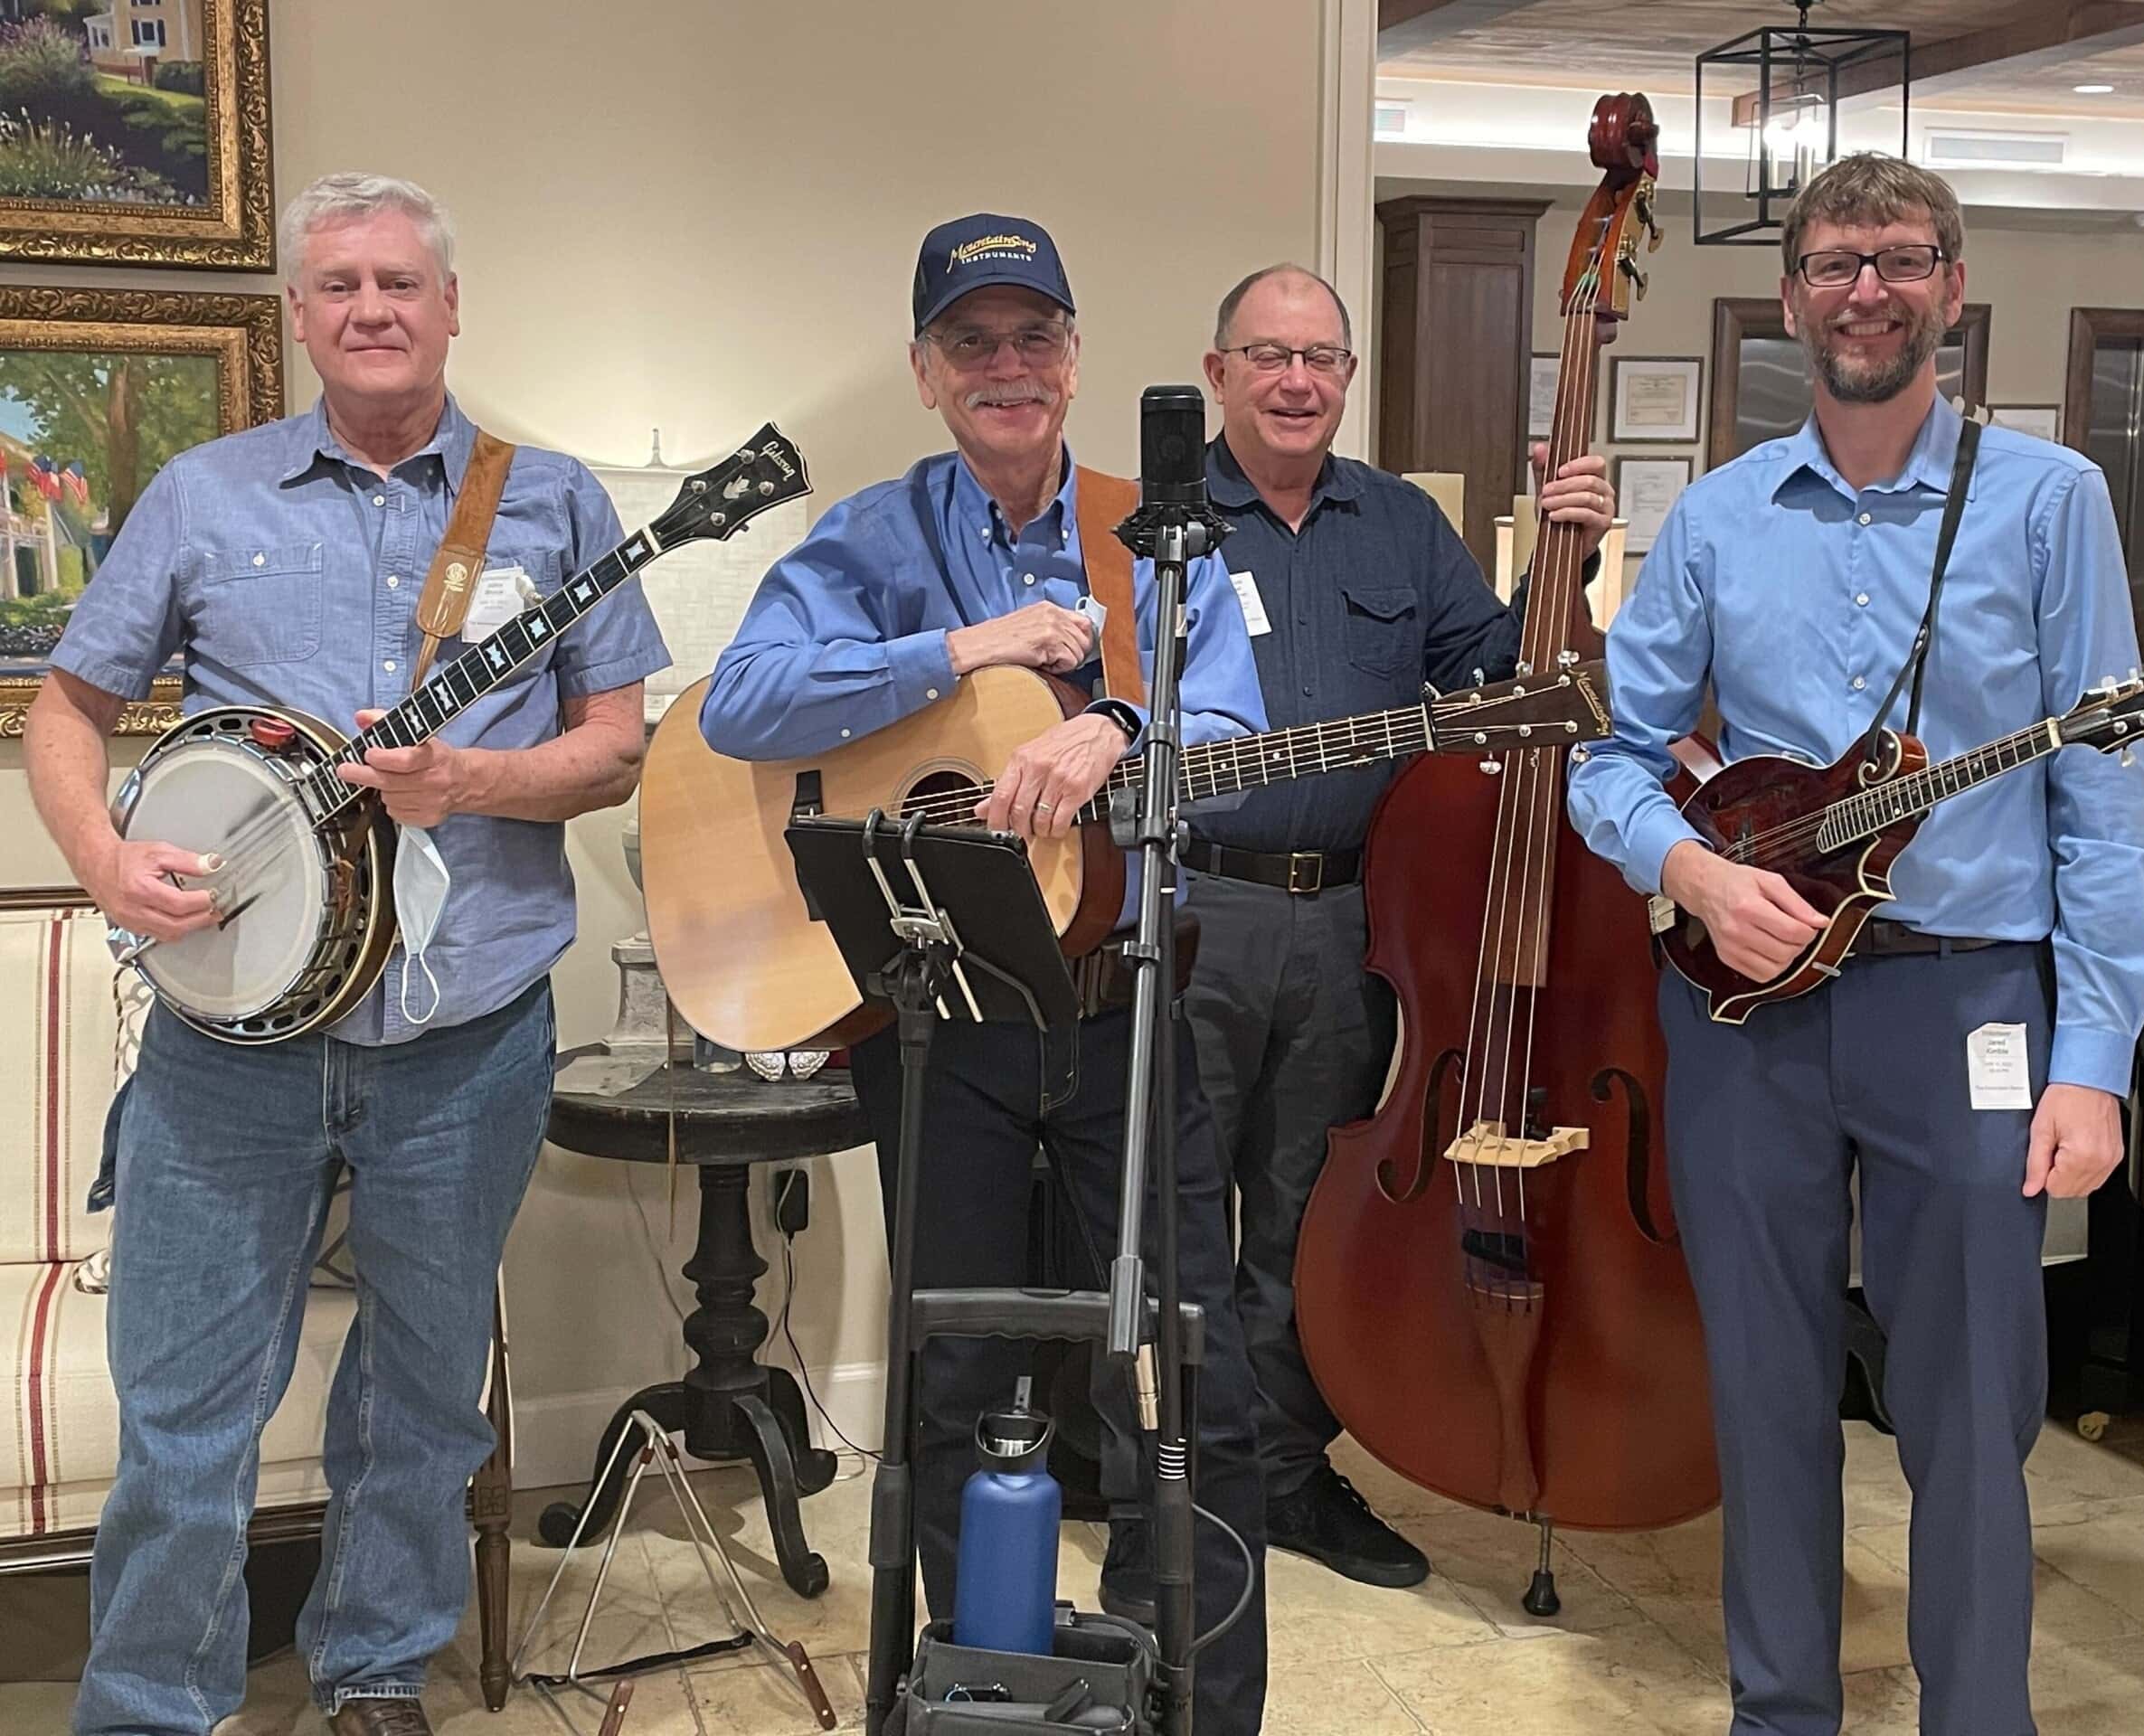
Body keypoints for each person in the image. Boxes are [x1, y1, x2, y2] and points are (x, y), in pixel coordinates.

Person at [25, 173, 669, 1736]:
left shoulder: (551, 501)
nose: (371, 308)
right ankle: (154, 1705)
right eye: (338, 285)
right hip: (226, 1048)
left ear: (451, 307)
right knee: (185, 1411)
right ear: (301, 316)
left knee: (425, 1397)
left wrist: (473, 781)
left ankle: (376, 1668)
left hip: (466, 1035)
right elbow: (69, 708)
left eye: (399, 281)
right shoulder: (204, 495)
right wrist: (105, 860)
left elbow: (616, 746)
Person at [1566, 153, 2144, 1736]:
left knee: (1970, 1408)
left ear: (1951, 289)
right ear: (1792, 300)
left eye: (1900, 259)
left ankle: (1977, 1716)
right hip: (1747, 1015)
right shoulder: (1718, 517)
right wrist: (1693, 874)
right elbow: (1610, 761)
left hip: (1969, 1002)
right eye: (1837, 263)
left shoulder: (2052, 503)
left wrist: (2094, 1059)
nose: (1868, 290)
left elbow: (2106, 797)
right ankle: (1781, 1713)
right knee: (1764, 1394)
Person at [701, 213, 1271, 1732]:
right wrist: (959, 651)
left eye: (1033, 337)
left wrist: (1119, 729)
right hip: (936, 1026)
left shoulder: (1159, 531)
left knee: (1187, 1376)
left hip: (1126, 1009)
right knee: (953, 1380)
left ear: (1074, 360)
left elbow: (1239, 723)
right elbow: (741, 706)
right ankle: (973, 1692)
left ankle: (1204, 1705)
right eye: (973, 343)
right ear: (926, 371)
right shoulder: (872, 537)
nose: (1006, 366)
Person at [1118, 262, 1610, 1595]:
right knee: (1168, 1215)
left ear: (1345, 378)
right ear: (1218, 374)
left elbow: (1506, 678)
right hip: (1193, 907)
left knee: (1307, 1215)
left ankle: (1283, 1471)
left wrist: (1567, 550)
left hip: (1349, 921)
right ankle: (1167, 1485)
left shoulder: (1398, 524)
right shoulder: (1151, 525)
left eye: (1321, 359)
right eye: (1269, 356)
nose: (1297, 382)